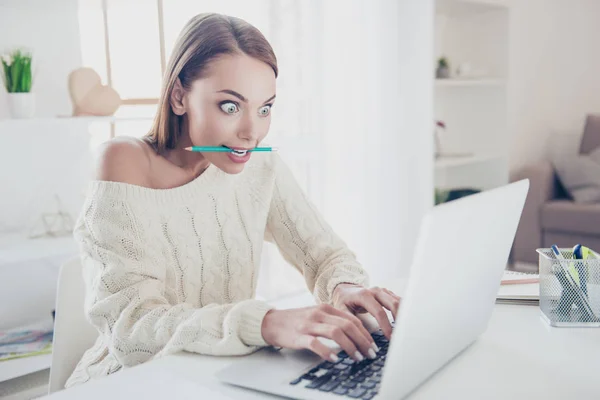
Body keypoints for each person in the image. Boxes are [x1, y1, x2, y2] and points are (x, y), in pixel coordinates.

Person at [65, 13, 400, 388]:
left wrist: (344, 288)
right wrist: (265, 322)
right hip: (129, 382)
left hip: (218, 378)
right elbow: (131, 329)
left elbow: (324, 254)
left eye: (265, 108)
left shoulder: (258, 164)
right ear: (179, 97)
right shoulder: (124, 161)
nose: (251, 132)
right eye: (230, 106)